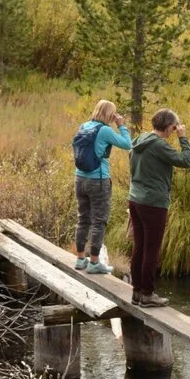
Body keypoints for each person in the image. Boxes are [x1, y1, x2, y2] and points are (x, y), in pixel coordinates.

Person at [127, 109, 190, 306]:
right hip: (153, 203)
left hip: (136, 199)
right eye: (175, 126)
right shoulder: (159, 145)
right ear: (168, 127)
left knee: (139, 247)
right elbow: (186, 161)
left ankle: (137, 291)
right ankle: (147, 294)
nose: (176, 129)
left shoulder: (140, 140)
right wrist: (183, 138)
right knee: (152, 250)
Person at [72, 99, 132, 275]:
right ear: (109, 114)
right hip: (98, 180)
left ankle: (80, 259)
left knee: (83, 218)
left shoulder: (84, 126)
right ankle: (95, 262)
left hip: (79, 178)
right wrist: (121, 125)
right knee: (99, 220)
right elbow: (127, 144)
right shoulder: (104, 130)